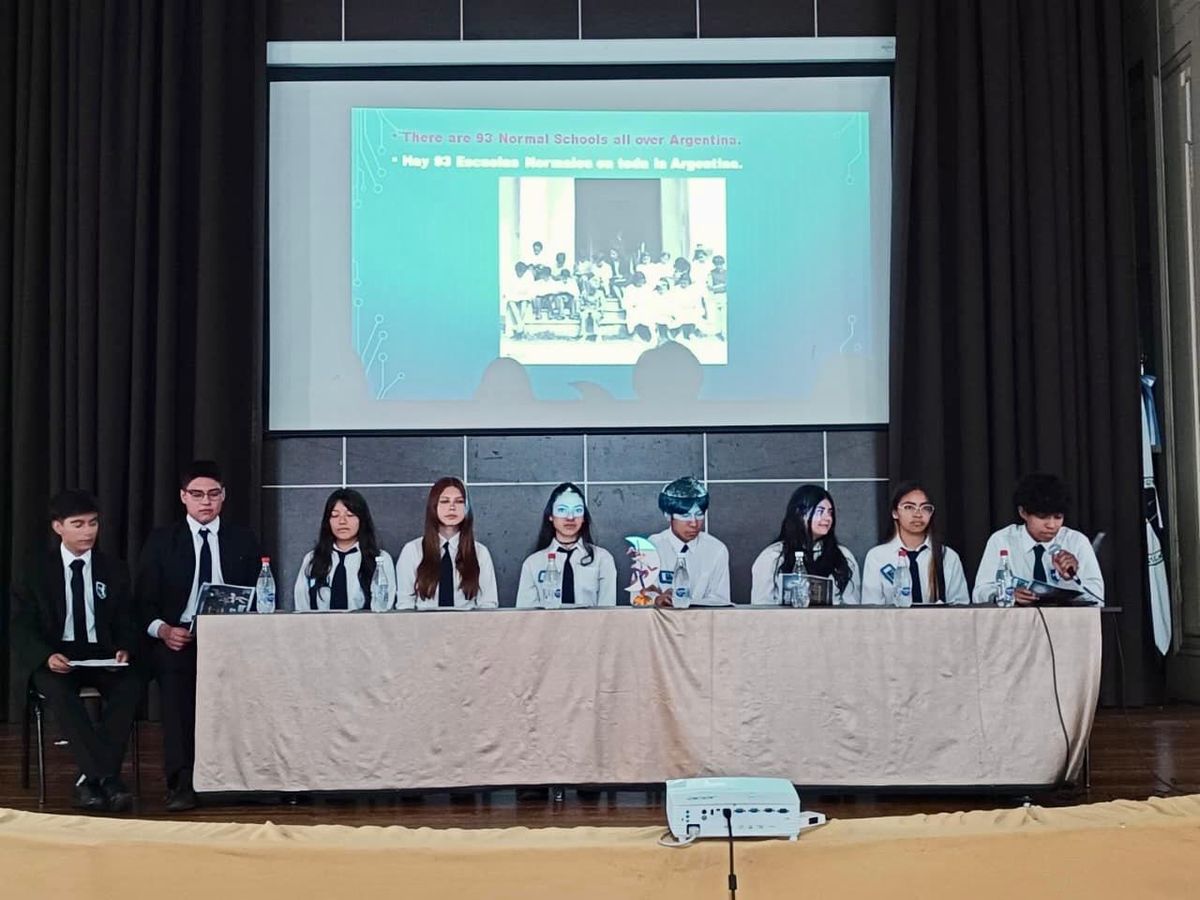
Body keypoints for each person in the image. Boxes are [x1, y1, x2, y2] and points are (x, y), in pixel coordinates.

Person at [136, 460, 261, 811]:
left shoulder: (243, 539)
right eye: (197, 494)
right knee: (176, 682)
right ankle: (181, 780)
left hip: (232, 638)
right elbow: (141, 602)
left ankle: (244, 777)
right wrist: (163, 630)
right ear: (183, 497)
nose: (206, 501)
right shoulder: (163, 541)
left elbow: (260, 594)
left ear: (224, 496)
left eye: (213, 494)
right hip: (180, 637)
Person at [10, 490, 142, 812]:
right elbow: (21, 624)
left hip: (102, 653)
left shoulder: (114, 568)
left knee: (132, 684)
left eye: (93, 523)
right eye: (78, 524)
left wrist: (125, 648)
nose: (88, 532)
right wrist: (45, 656)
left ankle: (89, 779)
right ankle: (106, 777)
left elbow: (128, 619)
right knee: (58, 691)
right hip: (57, 655)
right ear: (58, 527)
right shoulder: (35, 570)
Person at [972, 473, 1104, 605]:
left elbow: (1098, 600)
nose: (1051, 525)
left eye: (1058, 517)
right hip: (1017, 617)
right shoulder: (1002, 540)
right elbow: (979, 594)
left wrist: (1070, 579)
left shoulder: (1076, 542)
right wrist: (1007, 594)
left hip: (1065, 618)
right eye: (1042, 517)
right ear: (1023, 512)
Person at [395, 477, 498, 609]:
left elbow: (488, 604)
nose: (452, 507)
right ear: (433, 506)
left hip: (468, 621)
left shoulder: (480, 552)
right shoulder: (412, 550)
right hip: (423, 621)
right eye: (444, 501)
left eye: (459, 501)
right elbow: (405, 604)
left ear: (466, 507)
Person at [861, 482, 969, 605]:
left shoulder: (948, 556)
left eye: (925, 508)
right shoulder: (877, 557)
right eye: (909, 507)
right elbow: (871, 608)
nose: (918, 514)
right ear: (895, 512)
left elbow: (961, 606)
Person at [750, 485, 860, 605]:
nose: (827, 518)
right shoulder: (773, 556)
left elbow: (853, 606)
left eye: (830, 512)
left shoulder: (844, 556)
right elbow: (760, 606)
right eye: (820, 511)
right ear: (799, 513)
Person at [515, 483, 617, 608]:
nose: (570, 517)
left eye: (577, 510)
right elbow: (525, 614)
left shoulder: (602, 559)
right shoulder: (533, 563)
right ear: (550, 516)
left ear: (584, 517)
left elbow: (608, 612)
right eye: (562, 510)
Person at [293, 489, 395, 611]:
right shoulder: (313, 559)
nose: (342, 521)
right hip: (318, 624)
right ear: (327, 521)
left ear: (362, 519)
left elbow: (385, 609)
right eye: (335, 515)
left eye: (350, 515)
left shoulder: (380, 559)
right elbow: (301, 606)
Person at [650, 476, 730, 606]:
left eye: (699, 514)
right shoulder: (652, 546)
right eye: (685, 515)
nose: (694, 523)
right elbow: (638, 596)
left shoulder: (716, 549)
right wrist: (657, 599)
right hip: (661, 618)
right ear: (667, 515)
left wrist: (688, 603)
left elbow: (721, 600)